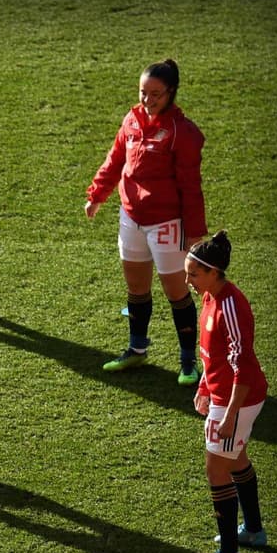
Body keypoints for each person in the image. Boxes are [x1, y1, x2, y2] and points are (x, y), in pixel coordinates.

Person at [86, 58, 206, 385]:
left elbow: (190, 187)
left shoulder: (183, 133)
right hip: (131, 217)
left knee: (175, 291)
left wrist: (194, 234)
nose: (147, 100)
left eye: (155, 94)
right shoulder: (132, 119)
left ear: (171, 93)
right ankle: (137, 350)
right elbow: (115, 160)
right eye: (143, 92)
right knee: (136, 287)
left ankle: (187, 362)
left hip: (166, 222)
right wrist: (97, 195)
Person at [184, 232, 268, 553]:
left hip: (237, 399)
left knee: (216, 468)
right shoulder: (210, 296)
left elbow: (242, 365)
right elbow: (214, 354)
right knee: (235, 461)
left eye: (194, 274)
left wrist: (229, 414)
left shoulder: (230, 305)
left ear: (214, 272)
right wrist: (204, 384)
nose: (188, 280)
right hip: (223, 394)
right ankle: (254, 531)